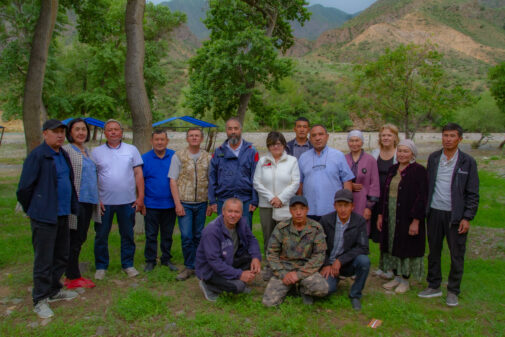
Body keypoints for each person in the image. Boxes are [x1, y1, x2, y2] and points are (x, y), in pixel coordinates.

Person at [17, 119, 79, 318]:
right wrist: (34, 208)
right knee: (44, 259)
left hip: (63, 214)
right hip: (44, 216)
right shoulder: (38, 156)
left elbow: (68, 180)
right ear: (45, 134)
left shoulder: (63, 154)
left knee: (61, 255)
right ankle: (40, 299)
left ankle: (54, 290)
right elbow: (24, 189)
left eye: (62, 132)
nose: (60, 135)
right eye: (55, 132)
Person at [418, 123, 479, 307]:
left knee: (456, 254)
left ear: (460, 139)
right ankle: (434, 285)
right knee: (434, 251)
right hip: (435, 212)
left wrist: (467, 217)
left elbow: (473, 193)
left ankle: (453, 290)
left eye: (452, 136)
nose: (448, 139)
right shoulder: (434, 158)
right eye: (445, 135)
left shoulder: (467, 162)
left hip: (456, 216)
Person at [91, 119, 144, 279]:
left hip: (127, 201)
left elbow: (138, 173)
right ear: (105, 133)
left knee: (127, 234)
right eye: (109, 130)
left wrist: (140, 197)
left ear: (121, 132)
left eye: (116, 129)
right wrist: (96, 198)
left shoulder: (132, 150)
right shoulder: (96, 152)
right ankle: (101, 266)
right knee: (101, 235)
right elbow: (92, 176)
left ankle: (128, 264)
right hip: (104, 203)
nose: (113, 132)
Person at [377, 139, 427, 294]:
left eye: (406, 151)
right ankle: (397, 276)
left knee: (406, 244)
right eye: (400, 151)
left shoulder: (419, 171)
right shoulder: (393, 169)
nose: (402, 154)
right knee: (392, 242)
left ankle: (405, 279)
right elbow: (384, 193)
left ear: (412, 153)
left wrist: (416, 221)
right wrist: (380, 214)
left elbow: (422, 197)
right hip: (390, 213)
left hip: (407, 214)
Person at [262, 196, 328, 306]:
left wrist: (299, 275)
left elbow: (319, 255)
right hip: (285, 268)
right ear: (290, 210)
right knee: (268, 302)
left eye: (302, 209)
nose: (298, 212)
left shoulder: (316, 228)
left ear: (307, 210)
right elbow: (271, 253)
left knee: (322, 289)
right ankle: (290, 286)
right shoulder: (281, 228)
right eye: (294, 209)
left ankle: (302, 289)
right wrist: (283, 274)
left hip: (305, 269)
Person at [253, 131, 300, 280]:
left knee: (285, 237)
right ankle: (270, 266)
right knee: (269, 237)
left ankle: (285, 265)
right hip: (267, 205)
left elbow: (295, 182)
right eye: (272, 144)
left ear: (284, 144)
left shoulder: (292, 161)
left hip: (284, 205)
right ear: (268, 146)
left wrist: (281, 198)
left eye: (278, 144)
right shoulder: (262, 161)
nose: (275, 147)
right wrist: (271, 198)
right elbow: (257, 182)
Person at [195, 198, 262, 302]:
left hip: (228, 260)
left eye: (237, 212)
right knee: (239, 286)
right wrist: (240, 274)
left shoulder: (242, 223)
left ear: (241, 213)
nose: (233, 215)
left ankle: (231, 279)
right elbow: (215, 262)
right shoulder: (212, 231)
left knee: (251, 259)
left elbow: (251, 240)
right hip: (210, 270)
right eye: (230, 211)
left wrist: (256, 258)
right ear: (223, 211)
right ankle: (207, 285)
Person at [62, 118, 101, 289]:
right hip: (75, 201)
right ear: (70, 132)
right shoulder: (66, 151)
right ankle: (71, 276)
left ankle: (73, 273)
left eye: (83, 129)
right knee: (73, 239)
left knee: (81, 237)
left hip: (88, 201)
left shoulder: (88, 152)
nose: (81, 132)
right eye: (77, 129)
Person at [169, 127, 212, 281]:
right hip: (185, 202)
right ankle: (189, 266)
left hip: (201, 202)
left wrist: (210, 203)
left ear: (201, 139)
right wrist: (177, 204)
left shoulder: (207, 157)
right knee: (187, 236)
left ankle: (199, 265)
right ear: (187, 138)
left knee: (199, 235)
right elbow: (172, 180)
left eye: (197, 136)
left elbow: (211, 181)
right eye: (191, 136)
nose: (194, 138)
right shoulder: (178, 156)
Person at [319, 189, 370, 311]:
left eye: (346, 205)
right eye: (339, 205)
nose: (343, 209)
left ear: (352, 206)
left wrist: (341, 260)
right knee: (327, 290)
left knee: (364, 261)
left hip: (348, 263)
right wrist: (326, 264)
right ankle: (334, 278)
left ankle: (355, 295)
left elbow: (363, 247)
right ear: (334, 206)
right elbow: (318, 246)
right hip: (329, 264)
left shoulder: (359, 222)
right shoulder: (325, 221)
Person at [208, 117, 259, 228]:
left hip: (245, 200)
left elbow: (256, 176)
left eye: (236, 128)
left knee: (245, 234)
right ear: (226, 131)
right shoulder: (218, 151)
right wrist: (212, 200)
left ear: (240, 130)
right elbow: (212, 176)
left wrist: (254, 200)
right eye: (230, 129)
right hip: (223, 199)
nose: (233, 132)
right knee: (224, 234)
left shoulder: (251, 151)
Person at [298, 124, 354, 221]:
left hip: (333, 210)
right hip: (310, 211)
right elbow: (300, 183)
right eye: (314, 135)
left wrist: (346, 205)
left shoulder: (338, 156)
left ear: (327, 137)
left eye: (321, 134)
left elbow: (347, 181)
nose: (317, 138)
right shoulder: (303, 158)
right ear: (310, 139)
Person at [142, 130, 177, 272]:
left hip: (169, 204)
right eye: (156, 139)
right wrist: (142, 201)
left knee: (167, 234)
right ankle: (150, 260)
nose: (159, 142)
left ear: (167, 141)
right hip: (151, 204)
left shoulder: (174, 156)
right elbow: (141, 181)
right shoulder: (144, 158)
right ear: (152, 141)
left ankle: (166, 259)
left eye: (162, 139)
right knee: (151, 235)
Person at [370, 124, 399, 280]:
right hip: (377, 198)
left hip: (393, 198)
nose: (386, 138)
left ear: (395, 137)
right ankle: (383, 265)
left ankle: (392, 267)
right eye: (383, 135)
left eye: (389, 135)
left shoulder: (399, 153)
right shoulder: (375, 153)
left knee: (391, 233)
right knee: (381, 232)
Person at [345, 130, 380, 235]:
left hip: (362, 202)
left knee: (361, 233)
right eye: (351, 141)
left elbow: (374, 184)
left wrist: (369, 207)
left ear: (362, 142)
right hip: (347, 201)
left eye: (357, 140)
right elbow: (338, 180)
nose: (354, 144)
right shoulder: (343, 159)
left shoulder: (370, 160)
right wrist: (349, 185)